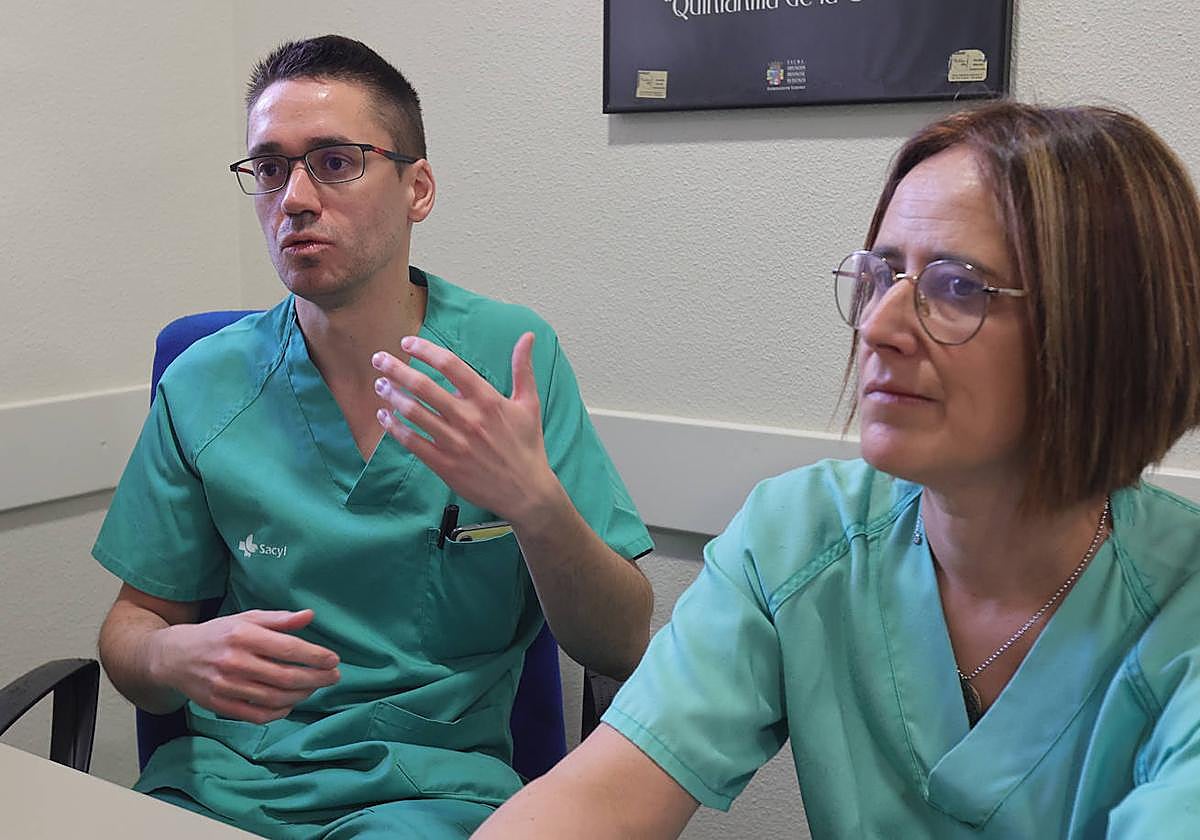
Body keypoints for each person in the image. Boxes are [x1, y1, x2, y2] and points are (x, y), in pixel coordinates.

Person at [475, 102, 1200, 839]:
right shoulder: (797, 537)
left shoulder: (1184, 606)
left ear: (1106, 328)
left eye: (956, 287)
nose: (879, 327)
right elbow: (599, 798)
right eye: (882, 276)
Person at [93, 35, 654, 839]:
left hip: (432, 795)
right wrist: (170, 658)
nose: (292, 197)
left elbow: (622, 642)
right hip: (225, 789)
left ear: (417, 188)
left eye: (333, 161)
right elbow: (130, 629)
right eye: (271, 167)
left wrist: (534, 507)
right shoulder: (205, 382)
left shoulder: (509, 359)